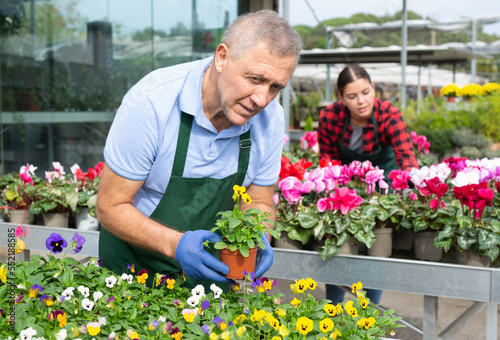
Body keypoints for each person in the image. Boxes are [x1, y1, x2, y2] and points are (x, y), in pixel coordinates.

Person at [96, 10, 302, 288]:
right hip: (131, 277)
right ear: (222, 57)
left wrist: (258, 235)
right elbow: (110, 206)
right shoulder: (153, 102)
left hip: (209, 277)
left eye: (275, 87)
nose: (261, 99)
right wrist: (175, 244)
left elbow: (258, 201)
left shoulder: (270, 120)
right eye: (254, 79)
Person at [317, 64, 418, 305]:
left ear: (373, 88)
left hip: (384, 184)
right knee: (338, 240)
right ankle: (333, 305)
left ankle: (370, 308)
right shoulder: (330, 117)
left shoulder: (388, 114)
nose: (361, 101)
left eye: (366, 92)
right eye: (352, 96)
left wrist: (412, 185)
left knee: (377, 245)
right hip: (347, 184)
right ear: (341, 97)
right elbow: (329, 163)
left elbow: (406, 155)